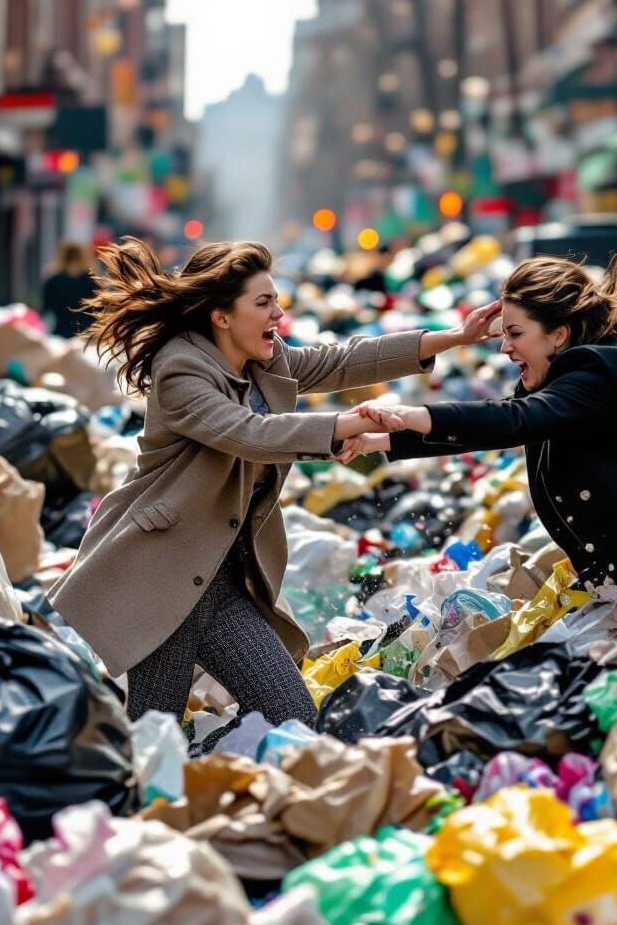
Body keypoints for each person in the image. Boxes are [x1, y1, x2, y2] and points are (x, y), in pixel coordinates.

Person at [46, 236, 500, 725]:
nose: (278, 314)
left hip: (225, 585)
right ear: (221, 316)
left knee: (293, 716)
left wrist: (452, 337)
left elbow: (342, 360)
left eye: (276, 300)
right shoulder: (180, 370)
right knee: (156, 730)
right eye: (263, 303)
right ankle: (154, 796)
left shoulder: (265, 359)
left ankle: (215, 780)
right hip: (165, 579)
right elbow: (248, 434)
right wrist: (350, 423)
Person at [343, 251, 617, 612]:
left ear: (559, 334)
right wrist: (383, 438)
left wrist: (412, 412)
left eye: (515, 333)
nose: (504, 346)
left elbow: (513, 420)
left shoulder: (595, 372)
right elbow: (500, 426)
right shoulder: (561, 384)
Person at [42, 240, 99, 338]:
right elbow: (99, 308)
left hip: (61, 331)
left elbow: (46, 307)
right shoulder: (91, 280)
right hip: (86, 332)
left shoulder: (53, 280)